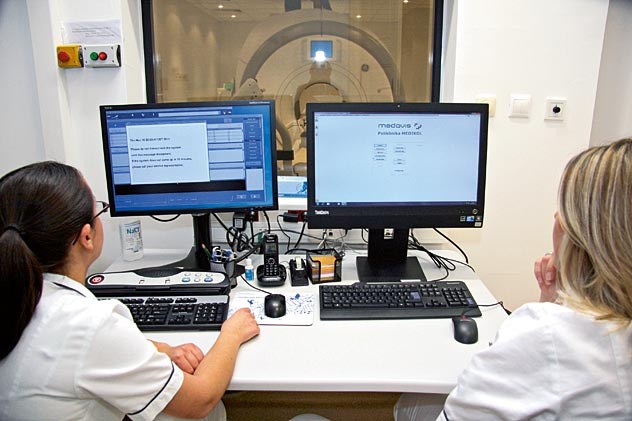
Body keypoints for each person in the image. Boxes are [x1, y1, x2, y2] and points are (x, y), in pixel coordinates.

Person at [0, 161, 260, 421]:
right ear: (86, 237)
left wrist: (161, 349)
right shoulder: (90, 324)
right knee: (208, 412)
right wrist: (231, 333)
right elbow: (200, 401)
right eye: (99, 210)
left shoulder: (19, 296)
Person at [395, 138, 632, 420]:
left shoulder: (546, 335)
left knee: (411, 405)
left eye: (567, 210)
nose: (557, 217)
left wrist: (547, 312)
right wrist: (553, 302)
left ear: (578, 232)